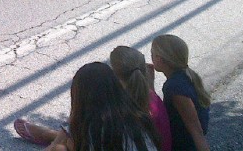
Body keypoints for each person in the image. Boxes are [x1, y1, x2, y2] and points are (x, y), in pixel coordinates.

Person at [14, 46, 171, 151]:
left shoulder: (94, 128)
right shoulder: (136, 112)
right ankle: (51, 136)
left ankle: (51, 136)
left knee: (62, 147)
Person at [151, 35, 211, 151]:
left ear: (159, 59)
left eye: (152, 54)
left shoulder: (175, 88)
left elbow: (195, 129)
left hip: (183, 145)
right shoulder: (184, 77)